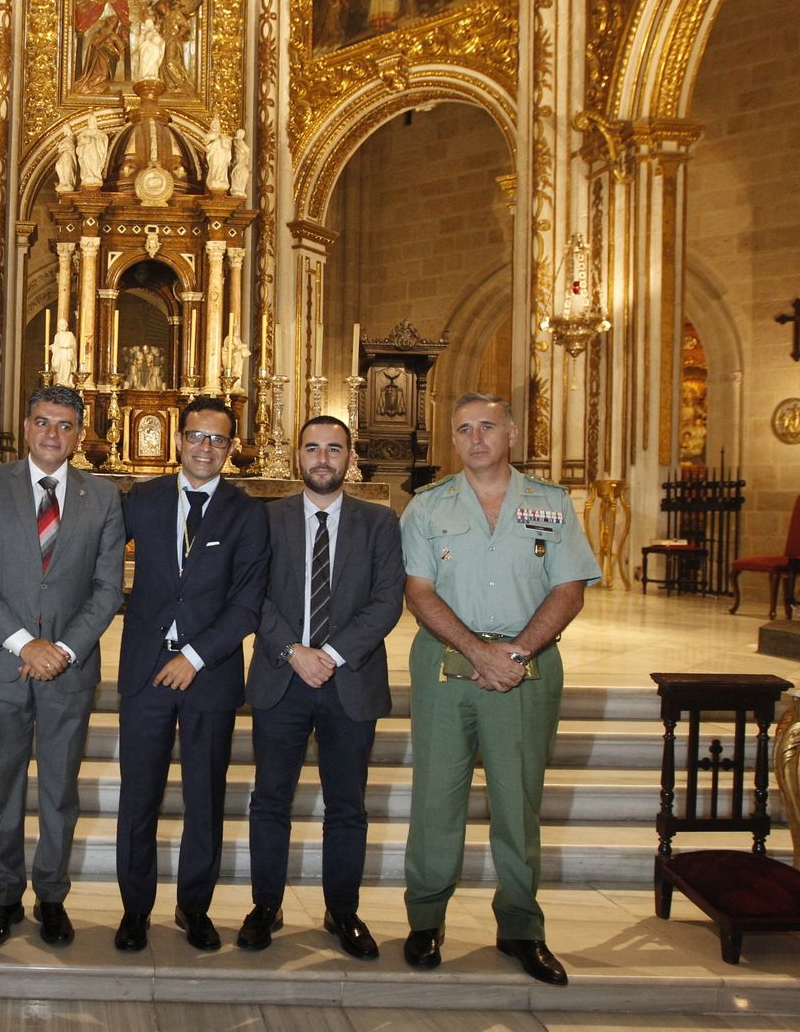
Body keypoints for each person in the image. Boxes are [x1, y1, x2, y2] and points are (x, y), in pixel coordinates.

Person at [400, 393, 600, 986]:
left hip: (526, 663)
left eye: (487, 426)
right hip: (445, 662)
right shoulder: (427, 507)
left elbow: (569, 589)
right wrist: (477, 651)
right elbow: (418, 591)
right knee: (436, 796)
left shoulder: (551, 504)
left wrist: (513, 653)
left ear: (511, 432)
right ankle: (426, 919)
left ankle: (520, 927)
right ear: (454, 440)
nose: (476, 438)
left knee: (518, 800)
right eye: (464, 430)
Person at [0, 384, 125, 948]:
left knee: (58, 788)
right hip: (4, 665)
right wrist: (24, 643)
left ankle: (51, 895)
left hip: (70, 670)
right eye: (42, 422)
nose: (52, 433)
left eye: (64, 425)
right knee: (3, 787)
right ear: (25, 427)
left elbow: (108, 587)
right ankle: (4, 896)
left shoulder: (102, 497)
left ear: (79, 436)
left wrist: (64, 649)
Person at [240, 415, 403, 956]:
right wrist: (293, 651)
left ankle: (342, 912)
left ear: (350, 457)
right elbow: (251, 596)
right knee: (269, 800)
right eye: (313, 448)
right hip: (280, 679)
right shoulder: (266, 519)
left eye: (334, 448)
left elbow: (387, 601)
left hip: (348, 680)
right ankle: (266, 905)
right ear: (297, 457)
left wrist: (329, 655)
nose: (323, 458)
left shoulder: (379, 523)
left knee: (347, 806)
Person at [113, 397, 266, 953]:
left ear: (232, 448)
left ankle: (193, 907)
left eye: (218, 440)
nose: (206, 448)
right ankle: (135, 911)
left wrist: (195, 656)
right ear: (178, 440)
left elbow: (248, 603)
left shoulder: (247, 512)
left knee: (205, 796)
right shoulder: (143, 499)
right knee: (139, 797)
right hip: (146, 669)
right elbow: (103, 562)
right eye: (197, 437)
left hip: (211, 673)